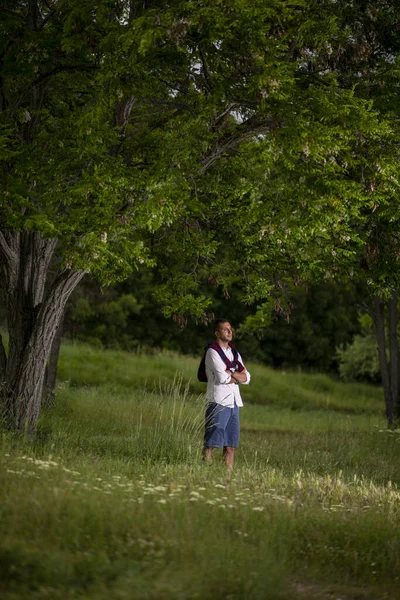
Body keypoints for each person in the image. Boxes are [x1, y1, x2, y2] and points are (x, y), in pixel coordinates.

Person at [202, 318, 250, 468]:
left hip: (234, 402)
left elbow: (247, 378)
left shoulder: (234, 353)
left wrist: (232, 373)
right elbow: (223, 378)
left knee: (230, 445)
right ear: (217, 333)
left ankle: (227, 478)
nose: (230, 331)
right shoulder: (212, 351)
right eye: (225, 329)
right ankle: (204, 472)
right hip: (219, 401)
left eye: (230, 328)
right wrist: (237, 375)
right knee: (211, 442)